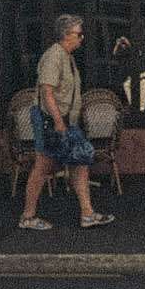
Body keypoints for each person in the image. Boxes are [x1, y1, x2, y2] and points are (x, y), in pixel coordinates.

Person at [19, 13, 115, 230]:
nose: (82, 38)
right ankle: (27, 216)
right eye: (79, 34)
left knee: (79, 161)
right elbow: (47, 92)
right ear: (66, 35)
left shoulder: (66, 56)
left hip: (64, 120)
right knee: (44, 165)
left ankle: (87, 213)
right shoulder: (54, 56)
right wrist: (58, 122)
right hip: (52, 119)